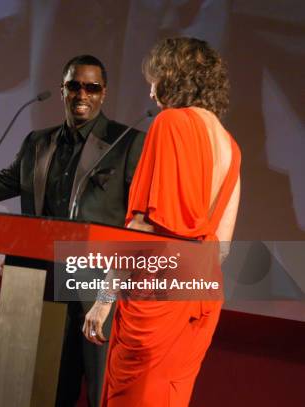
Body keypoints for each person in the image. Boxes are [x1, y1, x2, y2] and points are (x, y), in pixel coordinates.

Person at [0, 55, 146, 407]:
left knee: (99, 391)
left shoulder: (127, 142)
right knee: (42, 391)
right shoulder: (38, 141)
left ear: (103, 93)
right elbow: (0, 183)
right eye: (74, 85)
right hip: (38, 282)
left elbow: (136, 222)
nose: (82, 94)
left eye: (91, 87)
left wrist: (110, 294)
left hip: (94, 287)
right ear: (63, 90)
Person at [83, 37, 241, 406]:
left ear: (174, 77)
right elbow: (224, 246)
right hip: (201, 296)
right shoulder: (231, 145)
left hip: (156, 296)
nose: (152, 89)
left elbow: (143, 227)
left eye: (155, 78)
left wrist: (105, 298)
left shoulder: (172, 123)